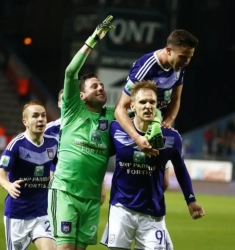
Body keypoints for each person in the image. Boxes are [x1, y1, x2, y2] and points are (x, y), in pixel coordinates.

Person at [101, 80, 205, 250]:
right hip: (121, 209)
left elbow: (180, 169)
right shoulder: (116, 129)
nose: (148, 106)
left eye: (152, 102)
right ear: (132, 106)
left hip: (152, 213)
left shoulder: (171, 138)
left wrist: (191, 200)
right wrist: (98, 184)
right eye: (143, 102)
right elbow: (101, 158)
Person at [47, 15, 115, 250]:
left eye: (102, 85)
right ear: (81, 95)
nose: (101, 87)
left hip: (92, 198)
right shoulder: (73, 109)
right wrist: (94, 38)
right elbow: (70, 72)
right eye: (94, 86)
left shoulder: (111, 115)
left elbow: (136, 105)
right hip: (65, 191)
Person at [114, 29, 199, 155]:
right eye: (183, 57)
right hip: (137, 128)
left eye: (189, 57)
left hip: (157, 128)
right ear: (169, 50)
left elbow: (176, 98)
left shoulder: (179, 66)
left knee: (162, 171)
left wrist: (168, 121)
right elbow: (120, 108)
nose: (186, 62)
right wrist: (137, 138)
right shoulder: (145, 67)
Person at [0, 100, 58, 250]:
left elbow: (60, 166)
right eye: (35, 116)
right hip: (17, 213)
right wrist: (8, 185)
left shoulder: (53, 143)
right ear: (25, 121)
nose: (40, 119)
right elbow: (1, 173)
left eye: (43, 116)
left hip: (42, 213)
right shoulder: (16, 145)